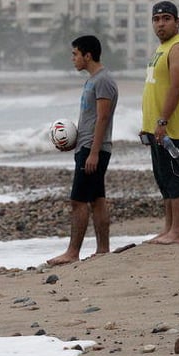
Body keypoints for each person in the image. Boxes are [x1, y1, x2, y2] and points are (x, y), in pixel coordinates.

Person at [48, 35, 118, 266]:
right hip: (86, 147)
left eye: (75, 54)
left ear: (88, 55)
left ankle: (72, 252)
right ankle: (103, 251)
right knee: (97, 199)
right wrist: (72, 142)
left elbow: (103, 117)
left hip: (93, 149)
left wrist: (94, 152)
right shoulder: (93, 80)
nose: (73, 59)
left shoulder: (103, 81)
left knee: (78, 201)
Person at [140, 0, 179, 244]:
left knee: (174, 176)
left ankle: (177, 232)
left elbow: (176, 87)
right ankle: (168, 228)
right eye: (156, 19)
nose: (160, 24)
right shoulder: (162, 49)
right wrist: (148, 124)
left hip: (170, 126)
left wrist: (162, 121)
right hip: (156, 127)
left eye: (166, 19)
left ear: (177, 21)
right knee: (162, 178)